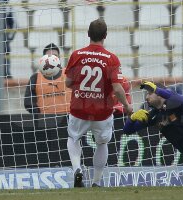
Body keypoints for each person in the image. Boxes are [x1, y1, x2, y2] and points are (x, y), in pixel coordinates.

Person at [64, 19, 133, 188]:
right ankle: (96, 181)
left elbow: (67, 83)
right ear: (105, 36)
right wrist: (126, 105)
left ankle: (77, 169)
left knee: (73, 138)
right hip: (102, 111)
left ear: (88, 34)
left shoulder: (77, 55)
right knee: (102, 143)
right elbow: (117, 88)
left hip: (79, 108)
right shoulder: (111, 59)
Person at [24, 43, 71, 114]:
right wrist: (38, 113)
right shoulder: (35, 78)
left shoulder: (69, 74)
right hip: (44, 120)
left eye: (55, 56)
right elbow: (28, 102)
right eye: (49, 57)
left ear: (59, 58)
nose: (52, 59)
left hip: (68, 119)